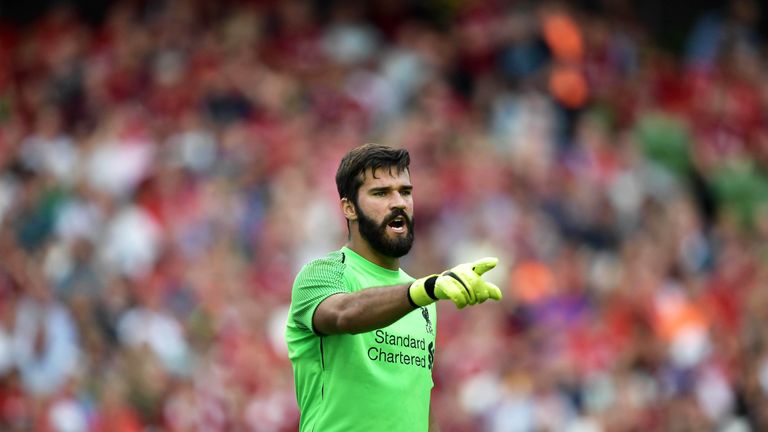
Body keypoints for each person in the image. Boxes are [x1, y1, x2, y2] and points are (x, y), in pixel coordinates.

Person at [285, 143, 503, 431]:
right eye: (381, 193)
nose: (398, 202)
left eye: (405, 191)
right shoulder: (322, 274)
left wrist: (423, 292)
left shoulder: (420, 297)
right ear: (349, 208)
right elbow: (344, 314)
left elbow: (416, 401)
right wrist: (424, 291)